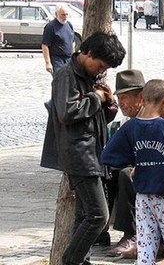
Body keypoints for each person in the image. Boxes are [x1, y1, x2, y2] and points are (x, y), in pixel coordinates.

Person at [47, 31, 126, 265]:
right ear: (88, 53)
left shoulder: (90, 77)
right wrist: (96, 98)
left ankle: (82, 261)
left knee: (84, 215)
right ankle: (71, 260)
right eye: (101, 64)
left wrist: (109, 102)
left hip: (94, 152)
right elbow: (67, 112)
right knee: (98, 216)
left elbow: (99, 117)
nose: (101, 70)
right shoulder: (66, 75)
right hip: (79, 154)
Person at [101, 79, 164, 265]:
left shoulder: (130, 127)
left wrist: (136, 160)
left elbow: (108, 155)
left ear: (142, 98)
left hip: (143, 197)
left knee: (145, 247)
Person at [107, 69, 146, 256]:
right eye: (119, 98)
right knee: (105, 172)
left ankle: (131, 233)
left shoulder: (152, 118)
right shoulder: (126, 121)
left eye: (125, 98)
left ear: (140, 97)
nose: (121, 103)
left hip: (153, 169)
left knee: (126, 175)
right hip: (135, 166)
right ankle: (99, 229)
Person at [42, 4, 75, 75]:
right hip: (57, 60)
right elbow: (45, 45)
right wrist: (48, 63)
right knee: (60, 81)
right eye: (63, 15)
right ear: (56, 14)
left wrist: (74, 58)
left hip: (68, 60)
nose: (65, 17)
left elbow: (72, 42)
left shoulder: (69, 25)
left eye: (66, 14)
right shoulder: (50, 26)